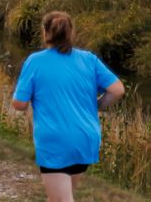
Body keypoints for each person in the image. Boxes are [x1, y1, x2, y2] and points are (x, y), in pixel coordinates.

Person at [12, 11, 126, 202]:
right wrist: (96, 106)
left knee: (62, 199)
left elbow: (20, 104)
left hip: (55, 140)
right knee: (59, 195)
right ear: (71, 32)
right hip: (85, 137)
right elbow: (117, 90)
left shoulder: (35, 61)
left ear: (45, 32)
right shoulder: (89, 59)